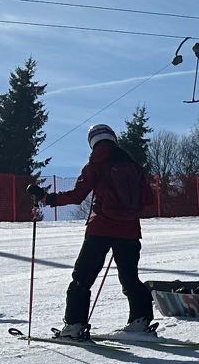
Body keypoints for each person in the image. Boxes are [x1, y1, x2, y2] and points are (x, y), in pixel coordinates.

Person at [32, 122, 155, 339]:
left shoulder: (96, 164)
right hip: (130, 231)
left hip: (101, 228)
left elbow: (77, 195)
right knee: (130, 278)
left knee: (82, 278)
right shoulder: (134, 167)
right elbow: (149, 199)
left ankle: (75, 325)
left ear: (92, 142)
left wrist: (47, 198)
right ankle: (140, 321)